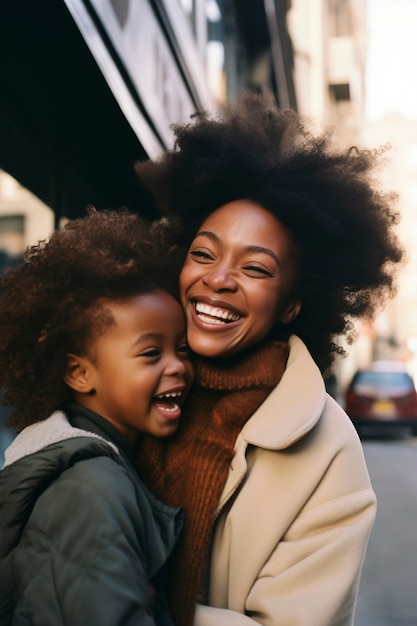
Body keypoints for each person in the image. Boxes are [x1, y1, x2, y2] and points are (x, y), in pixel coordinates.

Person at [133, 91, 405, 626]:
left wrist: (121, 608)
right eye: (203, 253)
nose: (218, 279)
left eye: (255, 269)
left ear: (292, 305)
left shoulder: (329, 450)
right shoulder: (130, 378)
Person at [0, 208, 194, 626]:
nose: (177, 365)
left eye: (182, 348)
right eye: (150, 353)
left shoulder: (86, 465)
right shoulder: (94, 488)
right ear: (79, 373)